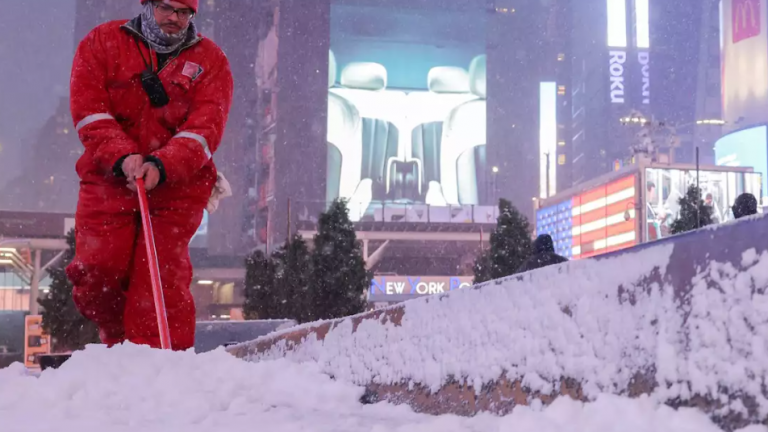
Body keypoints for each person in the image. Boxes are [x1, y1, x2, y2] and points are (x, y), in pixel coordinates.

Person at [65, 0, 234, 351]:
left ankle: (162, 364)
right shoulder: (102, 43)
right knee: (98, 268)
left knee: (159, 276)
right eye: (167, 8)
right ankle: (117, 344)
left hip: (179, 185)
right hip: (108, 178)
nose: (175, 19)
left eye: (184, 12)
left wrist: (163, 165)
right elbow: (88, 111)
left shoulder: (211, 62)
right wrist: (122, 156)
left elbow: (205, 129)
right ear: (147, 5)